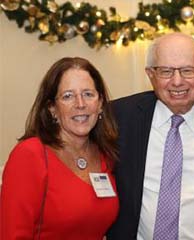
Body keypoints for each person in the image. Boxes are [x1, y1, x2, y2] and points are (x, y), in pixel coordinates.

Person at [107, 32, 194, 240]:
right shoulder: (119, 117)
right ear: (150, 74)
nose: (177, 81)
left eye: (188, 70)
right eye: (166, 71)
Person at [0, 57, 119, 239]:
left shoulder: (106, 154)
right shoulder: (30, 155)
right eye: (68, 96)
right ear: (52, 108)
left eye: (88, 94)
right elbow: (12, 234)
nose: (80, 104)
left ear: (100, 103)